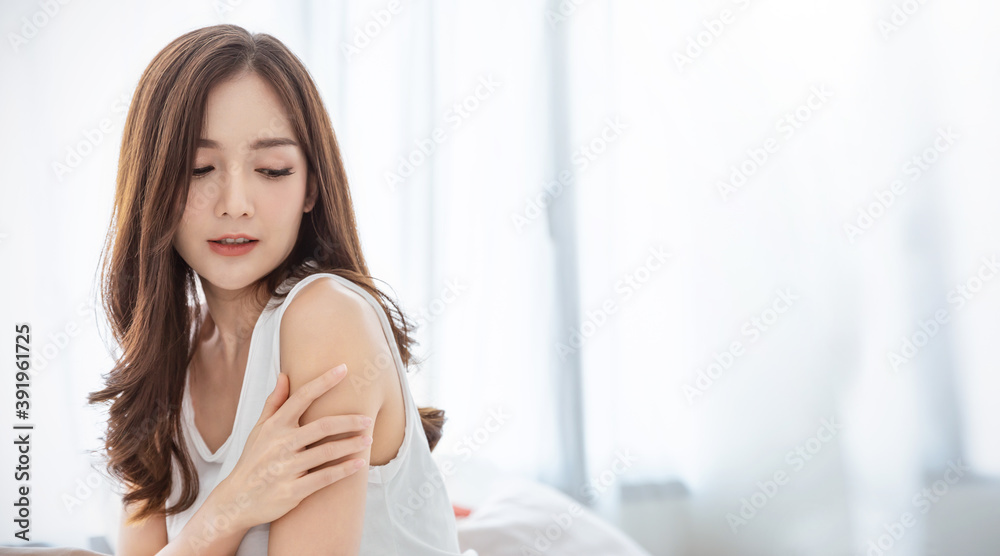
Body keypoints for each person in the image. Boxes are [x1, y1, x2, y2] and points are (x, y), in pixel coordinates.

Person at [87, 24, 475, 556]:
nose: (235, 202)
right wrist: (233, 503)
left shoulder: (326, 318)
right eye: (199, 168)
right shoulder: (167, 356)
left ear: (311, 185)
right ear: (153, 183)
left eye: (271, 169)